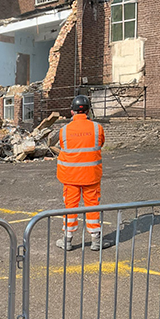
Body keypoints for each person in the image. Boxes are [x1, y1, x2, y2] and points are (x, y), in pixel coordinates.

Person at [49, 94, 107, 251]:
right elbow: (100, 144)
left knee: (70, 207)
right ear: (88, 111)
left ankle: (67, 240)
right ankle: (96, 240)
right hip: (91, 176)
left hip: (70, 177)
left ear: (72, 111)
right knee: (92, 207)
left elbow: (63, 146)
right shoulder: (97, 128)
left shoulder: (64, 131)